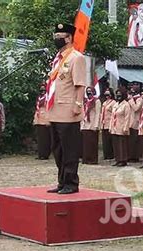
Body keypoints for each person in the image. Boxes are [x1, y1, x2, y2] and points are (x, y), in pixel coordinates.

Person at [45, 23, 86, 195]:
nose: (57, 40)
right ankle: (62, 181)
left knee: (69, 149)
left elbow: (80, 85)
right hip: (55, 110)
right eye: (55, 37)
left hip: (68, 110)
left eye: (60, 37)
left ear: (69, 38)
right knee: (58, 149)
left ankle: (71, 182)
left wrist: (77, 105)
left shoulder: (76, 58)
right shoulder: (58, 58)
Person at [110, 89, 131, 167]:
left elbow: (127, 117)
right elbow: (112, 116)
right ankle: (118, 159)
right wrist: (110, 126)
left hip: (122, 127)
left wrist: (126, 127)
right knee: (116, 144)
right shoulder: (115, 104)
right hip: (115, 127)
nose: (118, 96)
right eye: (117, 94)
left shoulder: (126, 105)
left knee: (122, 144)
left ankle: (123, 160)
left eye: (120, 94)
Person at [81, 87, 101, 164]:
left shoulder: (97, 101)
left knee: (92, 143)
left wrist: (96, 125)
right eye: (87, 91)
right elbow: (83, 112)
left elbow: (98, 113)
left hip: (92, 124)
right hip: (85, 124)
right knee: (86, 144)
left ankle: (93, 160)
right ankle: (86, 159)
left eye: (90, 91)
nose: (89, 93)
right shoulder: (85, 101)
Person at [33, 84, 51, 160]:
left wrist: (48, 120)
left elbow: (49, 109)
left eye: (44, 90)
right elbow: (37, 109)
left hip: (45, 119)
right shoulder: (39, 98)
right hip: (38, 119)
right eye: (41, 90)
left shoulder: (48, 97)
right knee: (40, 139)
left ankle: (45, 154)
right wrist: (35, 120)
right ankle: (40, 154)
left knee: (45, 139)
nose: (42, 91)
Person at [127, 82, 143, 162]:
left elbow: (136, 108)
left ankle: (135, 156)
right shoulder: (131, 97)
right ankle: (130, 155)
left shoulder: (140, 98)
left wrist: (131, 101)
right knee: (130, 141)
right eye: (133, 85)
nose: (134, 86)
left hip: (136, 122)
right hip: (129, 121)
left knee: (135, 140)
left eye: (136, 85)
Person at [100, 89, 115, 160]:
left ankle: (111, 155)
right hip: (104, 123)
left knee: (110, 140)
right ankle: (106, 154)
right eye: (105, 94)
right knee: (105, 140)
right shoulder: (104, 103)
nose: (107, 96)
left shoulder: (113, 102)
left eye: (108, 94)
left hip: (110, 123)